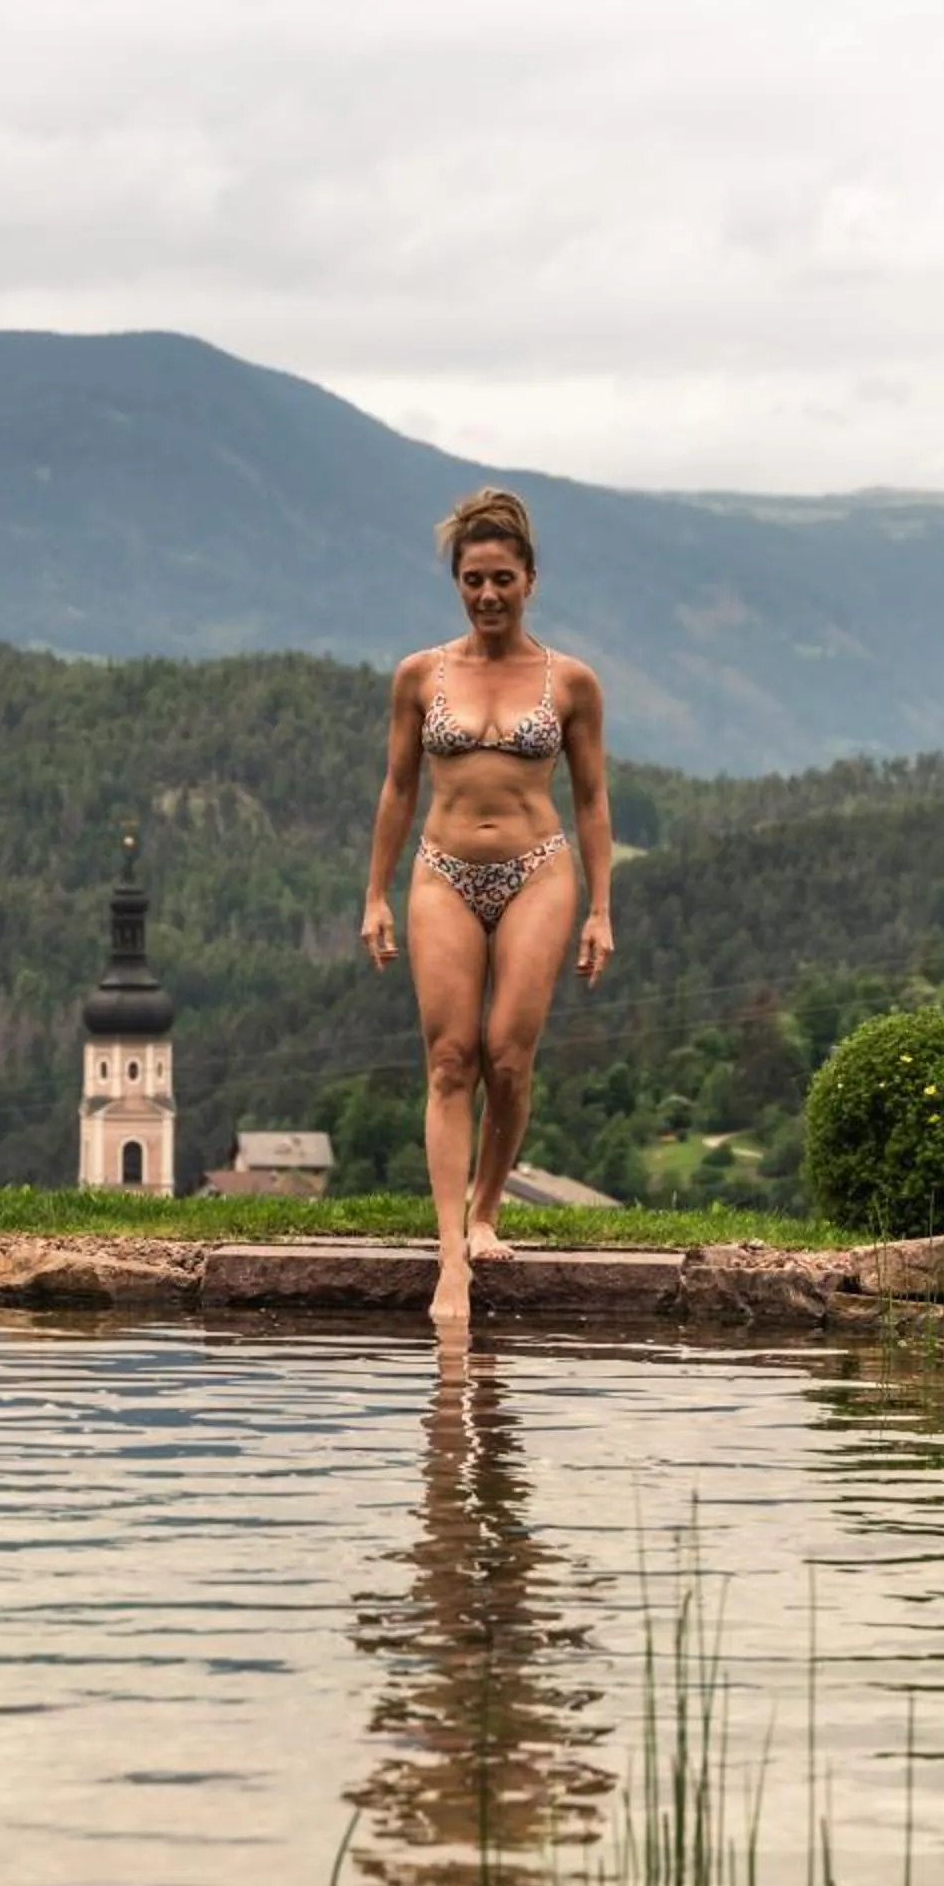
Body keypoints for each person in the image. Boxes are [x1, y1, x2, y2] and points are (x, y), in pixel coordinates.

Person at [360, 486, 613, 1323]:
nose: (488, 594)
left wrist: (601, 909)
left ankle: (488, 1209)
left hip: (540, 869)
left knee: (507, 1054)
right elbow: (398, 788)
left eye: (503, 578)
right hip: (441, 872)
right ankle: (450, 1260)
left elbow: (593, 801)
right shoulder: (420, 675)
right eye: (473, 579)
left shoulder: (570, 681)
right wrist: (376, 897)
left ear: (531, 579)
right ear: (457, 583)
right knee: (448, 1058)